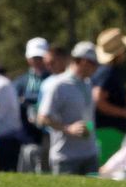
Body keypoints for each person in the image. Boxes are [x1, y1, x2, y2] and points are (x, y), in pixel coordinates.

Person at [38, 41, 102, 175]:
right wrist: (68, 129)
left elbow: (87, 117)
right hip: (66, 157)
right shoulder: (59, 85)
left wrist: (87, 129)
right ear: (84, 62)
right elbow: (42, 118)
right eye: (94, 64)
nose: (97, 69)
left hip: (90, 155)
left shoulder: (87, 83)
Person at [90, 28, 126, 164]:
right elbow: (98, 100)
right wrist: (125, 113)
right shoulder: (108, 72)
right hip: (109, 131)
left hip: (106, 130)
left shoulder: (103, 71)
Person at [13, 38, 54, 173]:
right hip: (29, 138)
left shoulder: (54, 79)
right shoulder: (20, 82)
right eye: (34, 58)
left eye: (40, 57)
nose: (37, 61)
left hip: (51, 137)